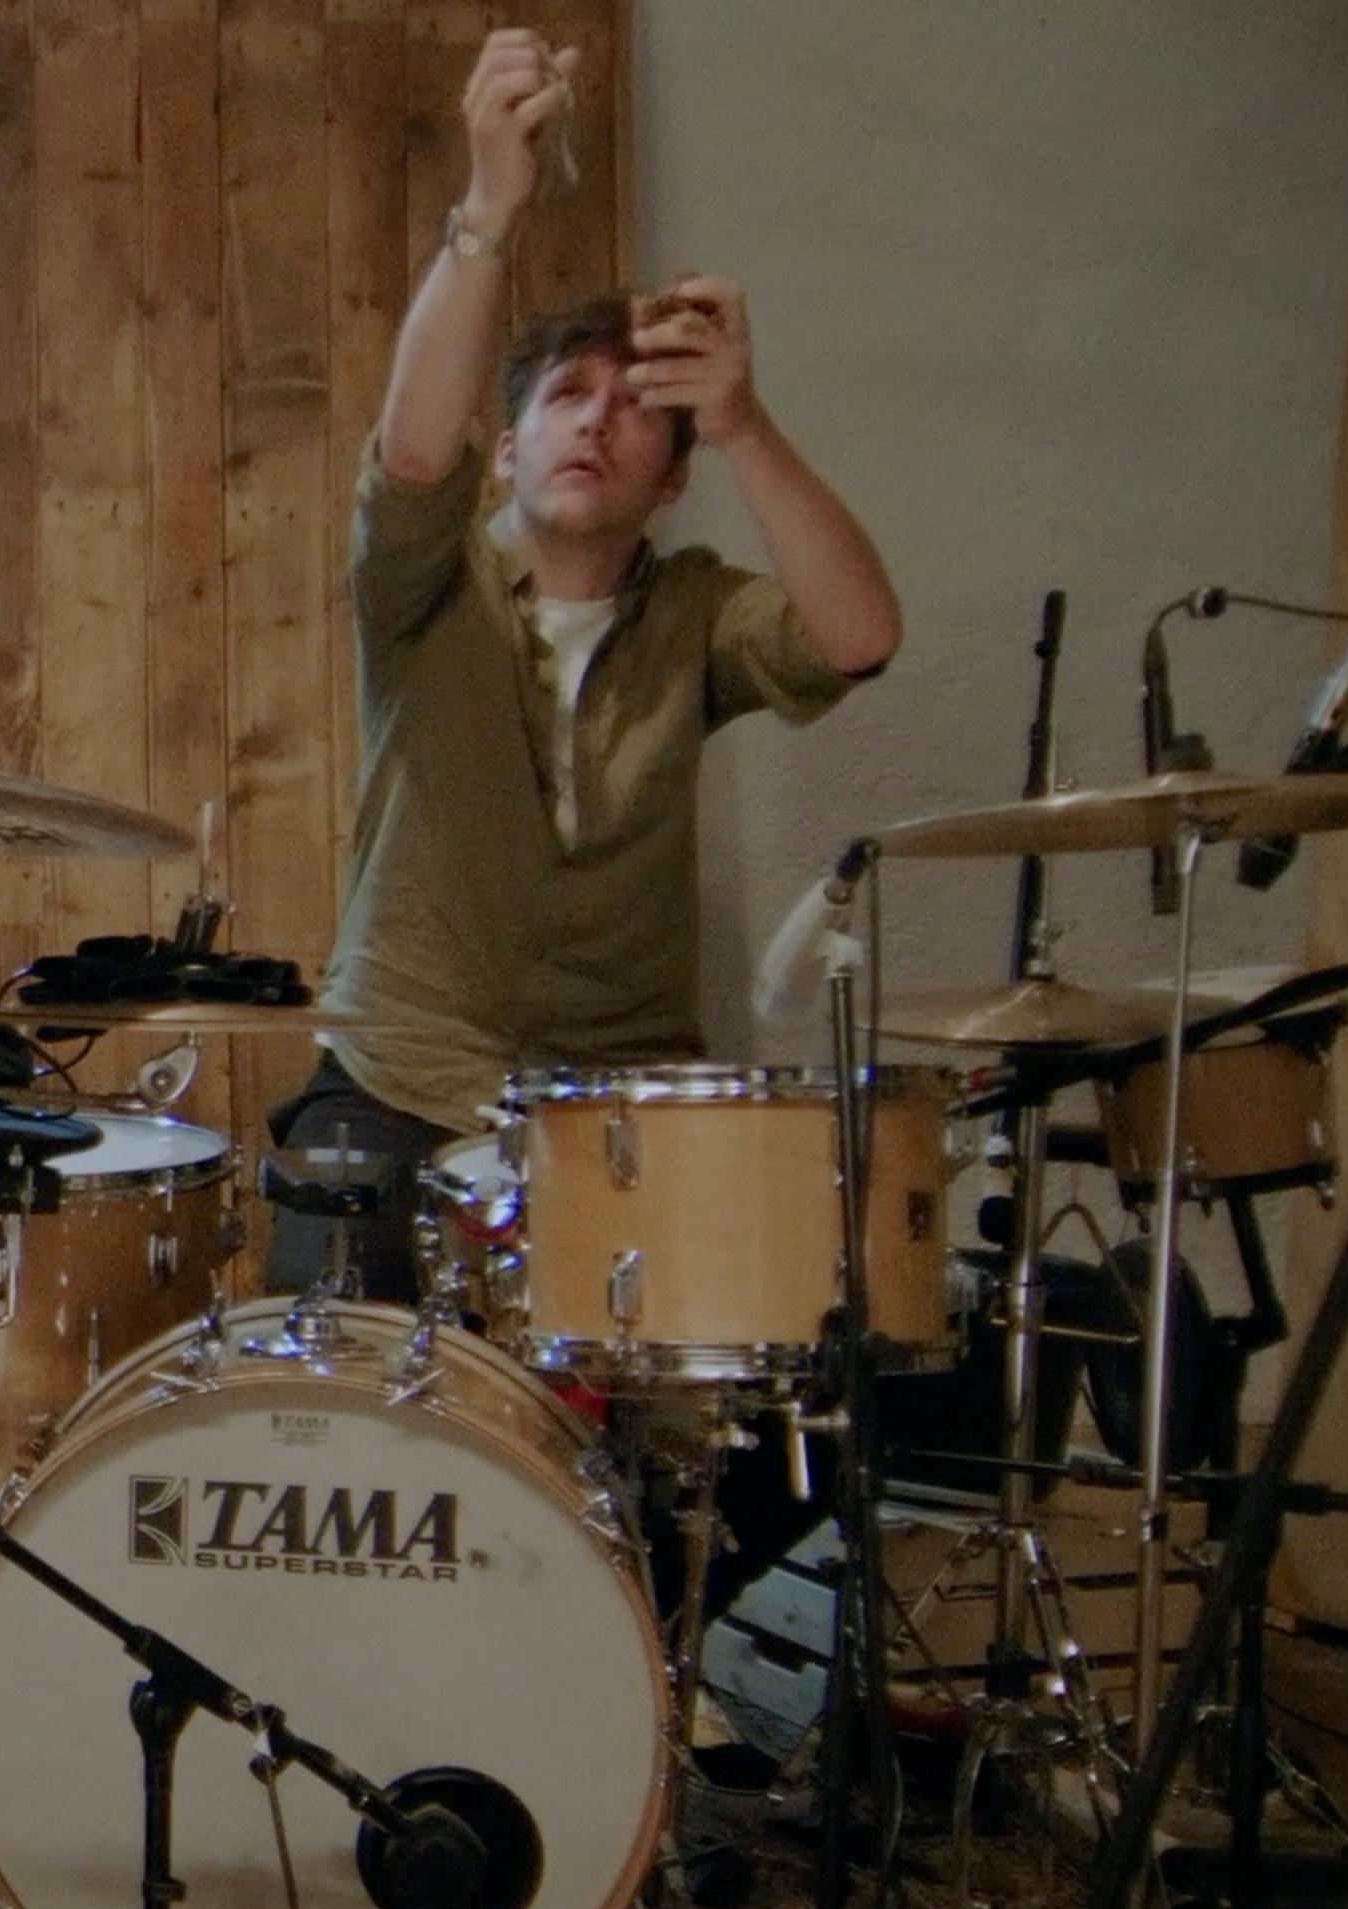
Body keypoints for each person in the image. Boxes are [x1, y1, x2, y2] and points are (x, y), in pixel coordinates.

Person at [267, 25, 904, 1307]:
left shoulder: (696, 614)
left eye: (638, 411)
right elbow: (410, 459)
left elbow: (857, 637)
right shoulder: (425, 587)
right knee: (348, 1430)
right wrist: (489, 209)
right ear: (508, 449)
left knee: (660, 1473)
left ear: (672, 482)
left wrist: (740, 420)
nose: (601, 419)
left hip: (621, 1108)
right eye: (569, 395)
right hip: (402, 1083)